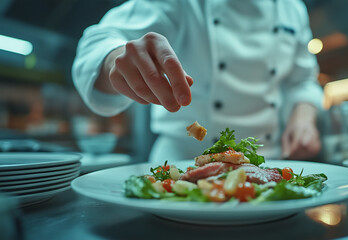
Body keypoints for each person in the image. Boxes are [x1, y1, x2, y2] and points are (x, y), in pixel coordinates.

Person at [72, 0, 323, 163]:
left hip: (268, 165)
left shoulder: (293, 8)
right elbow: (97, 42)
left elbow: (302, 81)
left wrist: (303, 118)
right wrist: (115, 58)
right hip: (180, 165)